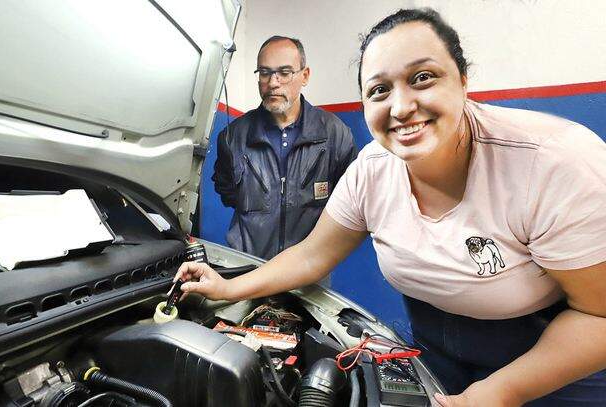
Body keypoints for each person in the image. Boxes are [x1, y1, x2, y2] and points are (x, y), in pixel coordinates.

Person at [178, 8, 606, 406]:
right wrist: (229, 287)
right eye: (380, 89)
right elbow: (312, 254)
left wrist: (503, 391)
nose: (401, 107)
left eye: (422, 77)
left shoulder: (552, 163)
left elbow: (598, 314)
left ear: (463, 80)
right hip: (435, 351)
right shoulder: (372, 170)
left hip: (557, 364)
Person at [212, 35, 357, 260]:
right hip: (248, 267)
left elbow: (348, 201)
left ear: (304, 75)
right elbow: (226, 191)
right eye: (264, 72)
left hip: (308, 271)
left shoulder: (335, 134)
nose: (272, 83)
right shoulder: (233, 137)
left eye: (285, 72)